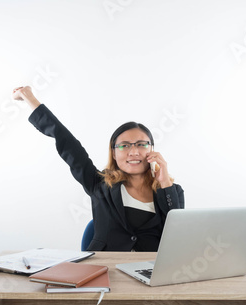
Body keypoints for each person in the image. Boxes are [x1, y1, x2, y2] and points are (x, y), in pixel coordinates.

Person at [12, 86, 184, 251]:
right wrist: (29, 97)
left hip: (151, 271)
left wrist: (165, 183)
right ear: (114, 154)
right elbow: (67, 142)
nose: (133, 152)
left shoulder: (172, 191)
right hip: (106, 268)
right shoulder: (98, 184)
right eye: (124, 146)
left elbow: (177, 237)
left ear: (151, 149)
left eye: (141, 144)